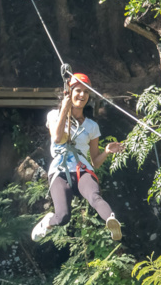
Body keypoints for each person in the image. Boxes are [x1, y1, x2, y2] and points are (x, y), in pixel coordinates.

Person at [31, 73, 125, 241]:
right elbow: (58, 138)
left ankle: (111, 220)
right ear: (69, 92)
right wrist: (65, 110)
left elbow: (95, 162)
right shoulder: (54, 115)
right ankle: (48, 222)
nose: (82, 95)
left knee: (95, 196)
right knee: (63, 216)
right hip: (60, 171)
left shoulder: (92, 126)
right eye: (78, 91)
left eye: (86, 92)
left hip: (82, 169)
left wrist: (107, 152)